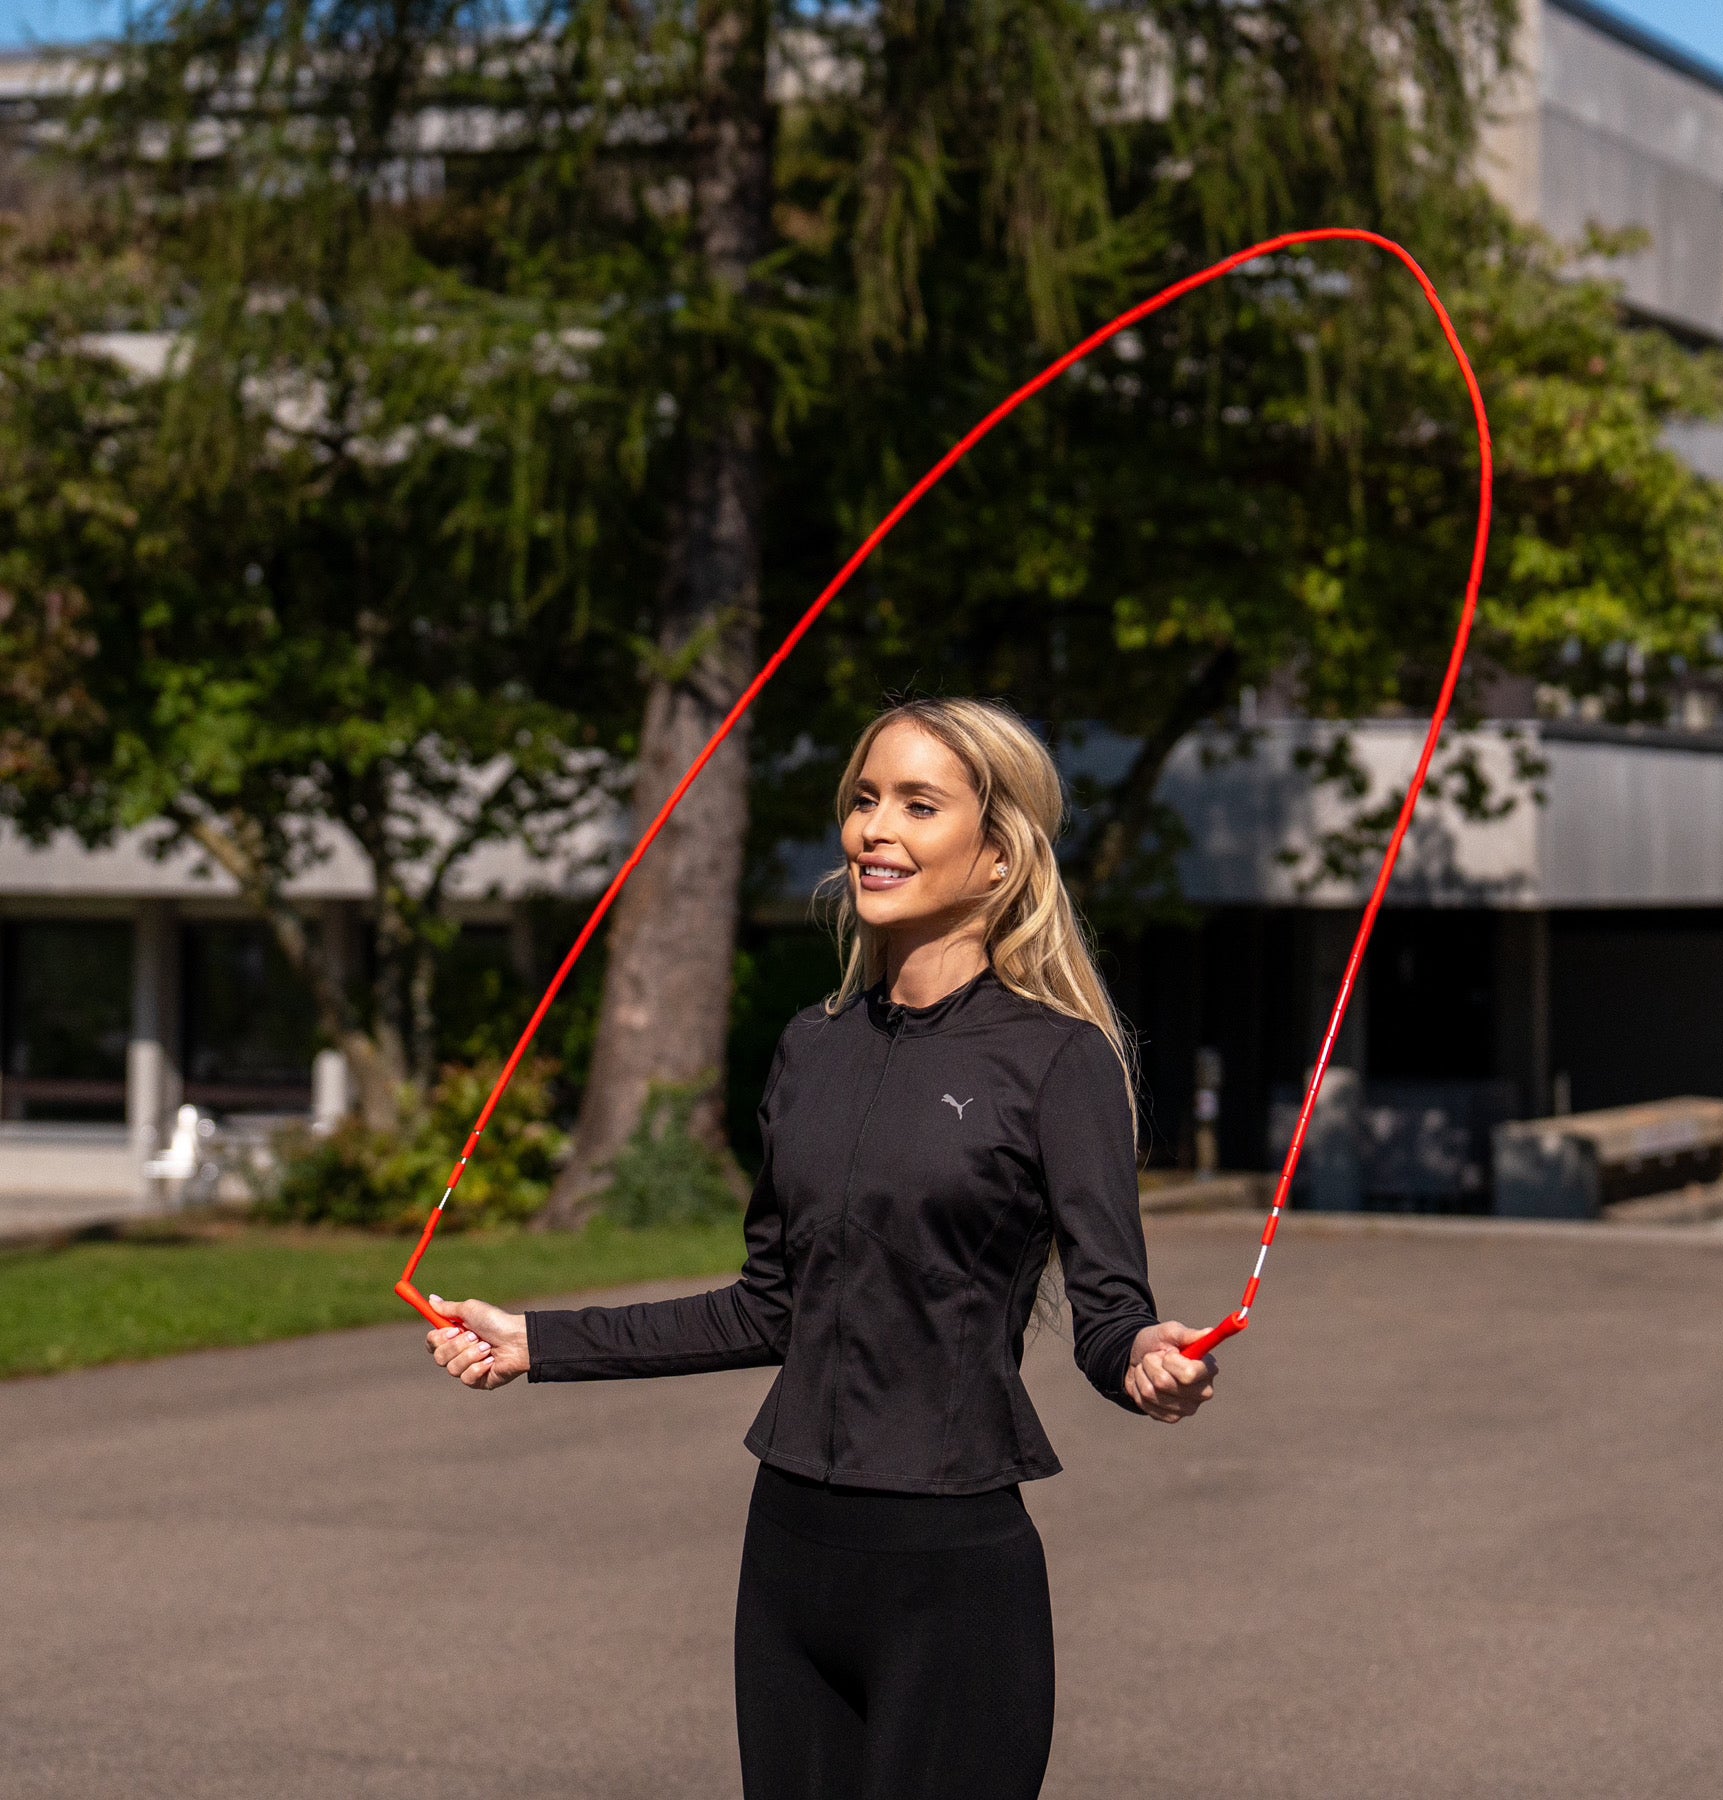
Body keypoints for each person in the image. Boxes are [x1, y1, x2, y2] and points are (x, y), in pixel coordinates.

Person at [425, 697, 1219, 1800]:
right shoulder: (813, 1046)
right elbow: (767, 1306)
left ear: (997, 857)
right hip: (789, 1555)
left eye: (917, 804)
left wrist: (1144, 1363)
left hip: (950, 1576)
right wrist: (533, 1342)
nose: (872, 829)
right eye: (863, 799)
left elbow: (1110, 1312)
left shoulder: (1057, 1059)